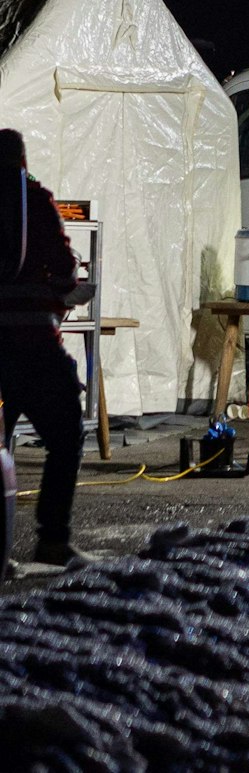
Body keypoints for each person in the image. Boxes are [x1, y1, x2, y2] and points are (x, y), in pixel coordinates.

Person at [0, 128, 91, 569]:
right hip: (31, 341)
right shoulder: (32, 199)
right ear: (22, 160)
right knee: (65, 434)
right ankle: (53, 541)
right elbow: (63, 264)